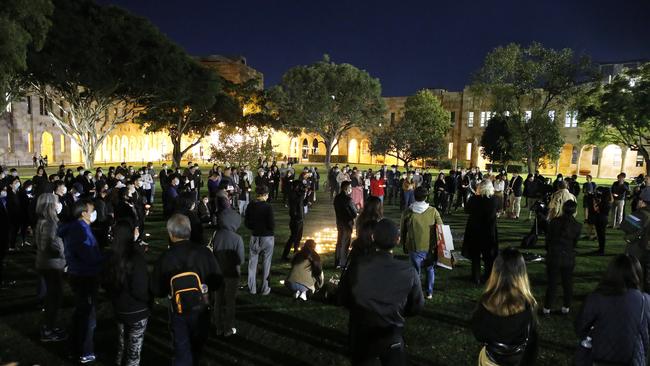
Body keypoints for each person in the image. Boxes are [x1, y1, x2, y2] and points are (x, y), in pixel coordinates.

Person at [339, 218, 425, 366]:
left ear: (373, 237)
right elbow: (417, 306)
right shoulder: (408, 271)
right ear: (397, 240)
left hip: (362, 334)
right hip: (392, 333)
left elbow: (343, 297)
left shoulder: (357, 266)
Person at [151, 214, 221, 366]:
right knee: (197, 347)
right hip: (202, 307)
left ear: (170, 233)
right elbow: (217, 281)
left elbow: (157, 289)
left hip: (178, 311)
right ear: (189, 231)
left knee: (182, 349)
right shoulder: (204, 253)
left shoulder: (166, 257)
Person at [575, 254, 650, 365]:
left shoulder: (596, 298)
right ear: (638, 274)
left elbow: (580, 328)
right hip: (632, 360)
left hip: (600, 357)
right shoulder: (645, 300)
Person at [471, 248, 538, 366]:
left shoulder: (486, 302)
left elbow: (478, 334)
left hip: (491, 361)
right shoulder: (529, 305)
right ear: (522, 273)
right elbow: (532, 341)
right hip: (518, 360)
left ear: (495, 271)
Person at [58, 199, 104, 363]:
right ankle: (86, 351)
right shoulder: (80, 230)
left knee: (80, 312)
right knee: (88, 315)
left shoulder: (79, 228)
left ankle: (73, 347)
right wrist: (106, 258)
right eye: (92, 210)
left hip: (79, 274)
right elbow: (89, 255)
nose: (94, 213)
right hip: (85, 276)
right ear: (84, 213)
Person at [103, 221, 149, 366]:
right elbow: (140, 289)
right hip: (137, 310)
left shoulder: (110, 257)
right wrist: (148, 301)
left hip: (119, 309)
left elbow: (106, 284)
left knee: (122, 345)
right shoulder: (135, 258)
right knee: (133, 351)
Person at [34, 193, 67, 342]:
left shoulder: (43, 220)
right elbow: (49, 245)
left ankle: (49, 326)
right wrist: (63, 250)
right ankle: (48, 329)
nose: (58, 204)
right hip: (51, 265)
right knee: (54, 298)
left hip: (46, 263)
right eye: (56, 202)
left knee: (52, 297)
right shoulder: (49, 222)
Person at [400, 187, 443, 299]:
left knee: (415, 271)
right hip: (430, 246)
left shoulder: (408, 211)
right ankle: (429, 292)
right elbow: (441, 228)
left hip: (414, 246)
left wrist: (404, 244)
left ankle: (416, 293)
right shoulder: (433, 211)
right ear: (426, 197)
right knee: (430, 269)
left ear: (414, 196)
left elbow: (403, 230)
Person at [543, 200, 582, 316]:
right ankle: (566, 307)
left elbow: (548, 240)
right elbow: (574, 243)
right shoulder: (577, 226)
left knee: (552, 283)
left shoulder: (554, 222)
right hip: (568, 256)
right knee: (567, 283)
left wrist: (550, 250)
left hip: (555, 255)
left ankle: (547, 308)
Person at [210, 208, 245, 337]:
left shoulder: (216, 235)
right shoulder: (237, 238)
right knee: (230, 302)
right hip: (232, 274)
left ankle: (218, 327)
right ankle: (228, 328)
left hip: (218, 272)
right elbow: (240, 260)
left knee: (217, 301)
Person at [462, 179, 499, 284]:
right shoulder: (494, 200)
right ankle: (488, 276)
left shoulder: (474, 199)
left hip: (475, 230)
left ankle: (476, 276)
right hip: (489, 230)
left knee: (475, 256)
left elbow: (467, 210)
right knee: (489, 256)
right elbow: (498, 210)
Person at [244, 185, 275, 295]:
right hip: (267, 237)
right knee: (266, 264)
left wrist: (254, 227)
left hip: (255, 236)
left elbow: (246, 222)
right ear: (266, 195)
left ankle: (252, 288)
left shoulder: (250, 205)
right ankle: (265, 289)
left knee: (252, 264)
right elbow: (271, 224)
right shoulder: (268, 207)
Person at [334, 181, 358, 269]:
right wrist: (356, 212)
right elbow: (354, 213)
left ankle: (337, 262)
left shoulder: (336, 198)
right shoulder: (348, 199)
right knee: (345, 243)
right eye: (350, 188)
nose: (351, 189)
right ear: (346, 188)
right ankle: (343, 263)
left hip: (339, 222)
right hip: (347, 223)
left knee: (339, 242)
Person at [282, 179, 305, 261]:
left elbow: (302, 203)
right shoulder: (292, 194)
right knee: (293, 238)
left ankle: (296, 253)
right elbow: (297, 201)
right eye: (300, 186)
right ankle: (284, 255)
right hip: (295, 220)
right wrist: (302, 194)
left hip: (300, 219)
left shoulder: (298, 194)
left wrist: (306, 195)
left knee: (298, 238)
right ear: (296, 186)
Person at [590, 187, 613, 255]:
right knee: (601, 235)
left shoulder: (604, 201)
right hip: (604, 218)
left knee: (601, 235)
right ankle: (601, 249)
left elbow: (596, 209)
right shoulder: (608, 200)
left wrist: (594, 202)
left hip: (601, 218)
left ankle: (601, 250)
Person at [582, 175, 597, 239]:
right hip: (586, 197)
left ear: (590, 178)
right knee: (585, 208)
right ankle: (586, 218)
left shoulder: (593, 184)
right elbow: (583, 190)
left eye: (588, 178)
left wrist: (591, 193)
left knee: (590, 208)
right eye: (586, 178)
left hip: (591, 197)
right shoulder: (585, 184)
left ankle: (592, 232)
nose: (587, 179)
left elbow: (594, 190)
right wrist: (585, 192)